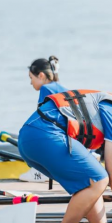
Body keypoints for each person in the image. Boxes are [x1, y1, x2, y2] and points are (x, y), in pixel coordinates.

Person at [18, 90, 112, 223]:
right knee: (99, 179)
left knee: (92, 180)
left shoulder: (105, 106)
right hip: (45, 135)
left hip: (27, 140)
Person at [19, 55, 68, 183]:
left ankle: (41, 171)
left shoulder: (46, 89)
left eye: (31, 78)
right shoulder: (63, 88)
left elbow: (43, 119)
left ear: (41, 75)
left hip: (54, 137)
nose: (30, 82)